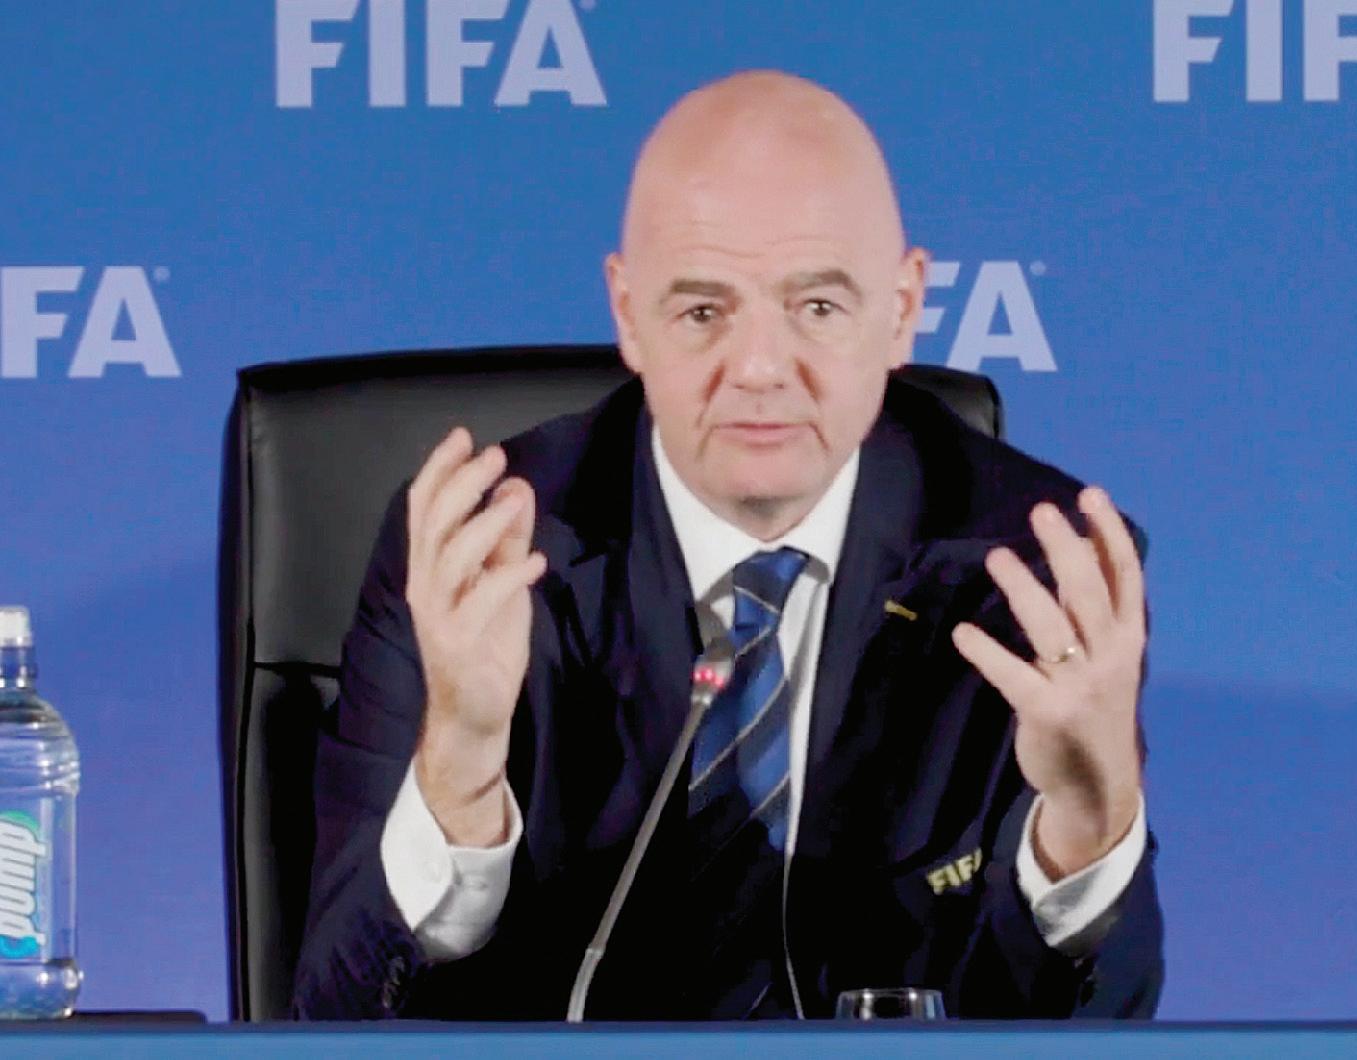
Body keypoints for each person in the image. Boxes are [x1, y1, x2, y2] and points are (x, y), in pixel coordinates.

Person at [292, 70, 1162, 1021]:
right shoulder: (484, 552)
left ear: (902, 308)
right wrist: (457, 770)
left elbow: (1100, 1027)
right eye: (703, 311)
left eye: (816, 307)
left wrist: (1088, 824)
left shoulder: (1033, 566)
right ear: (628, 314)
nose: (756, 368)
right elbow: (331, 1015)